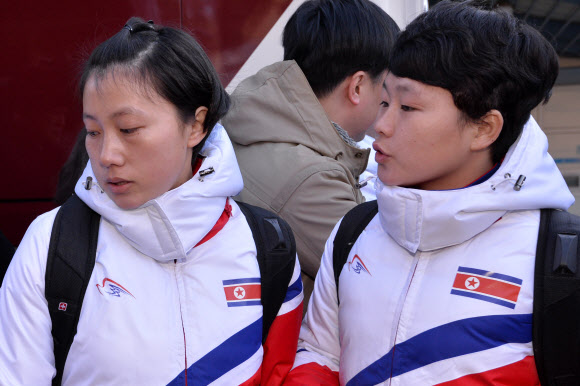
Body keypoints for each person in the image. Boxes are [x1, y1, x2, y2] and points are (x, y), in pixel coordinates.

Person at [0, 17, 303, 385]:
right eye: (93, 131)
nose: (106, 154)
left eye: (128, 129)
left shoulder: (267, 244)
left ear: (196, 125)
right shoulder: (51, 245)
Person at [285, 1, 574, 384]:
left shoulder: (559, 258)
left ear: (484, 128)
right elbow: (320, 354)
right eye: (384, 101)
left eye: (407, 106)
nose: (381, 125)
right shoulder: (355, 231)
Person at [222, 0, 400, 306]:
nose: (392, 100)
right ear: (357, 87)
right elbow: (387, 285)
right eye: (388, 86)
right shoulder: (311, 179)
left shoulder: (262, 121)